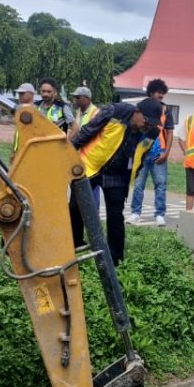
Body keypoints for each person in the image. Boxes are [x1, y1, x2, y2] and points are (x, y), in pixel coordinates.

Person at [69, 98, 162, 266]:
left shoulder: (151, 132)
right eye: (146, 120)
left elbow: (140, 156)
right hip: (90, 165)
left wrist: (131, 176)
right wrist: (68, 152)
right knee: (76, 206)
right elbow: (88, 131)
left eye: (152, 123)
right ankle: (75, 244)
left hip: (118, 175)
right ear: (137, 111)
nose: (147, 126)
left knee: (115, 216)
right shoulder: (114, 111)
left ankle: (116, 258)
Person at [127, 79, 174, 227]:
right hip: (141, 152)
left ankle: (160, 214)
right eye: (158, 92)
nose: (161, 95)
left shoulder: (166, 110)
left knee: (160, 184)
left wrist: (166, 153)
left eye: (162, 93)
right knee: (139, 184)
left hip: (158, 151)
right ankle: (135, 213)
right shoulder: (140, 108)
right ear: (151, 92)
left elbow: (170, 133)